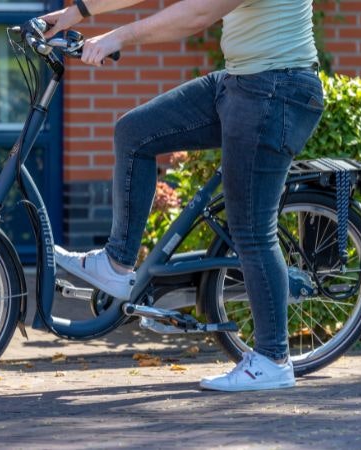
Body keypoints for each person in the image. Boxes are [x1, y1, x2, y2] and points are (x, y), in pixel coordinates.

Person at [44, 0, 324, 392]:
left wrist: (117, 36)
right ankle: (117, 264)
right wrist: (78, 11)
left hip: (276, 90)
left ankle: (273, 360)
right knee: (135, 133)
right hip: (240, 80)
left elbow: (196, 15)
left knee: (251, 229)